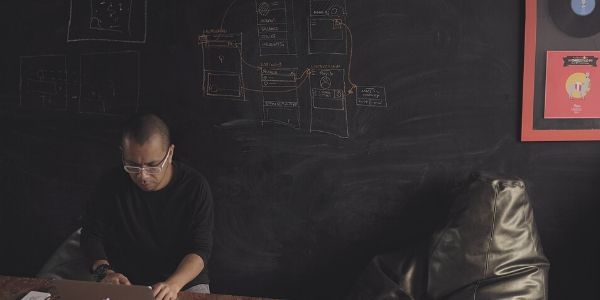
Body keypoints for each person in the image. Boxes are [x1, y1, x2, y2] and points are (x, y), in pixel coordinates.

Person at [81, 113, 214, 300]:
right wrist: (105, 272)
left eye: (152, 166)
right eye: (133, 166)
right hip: (125, 281)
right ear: (123, 153)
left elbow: (200, 249)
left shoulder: (195, 187)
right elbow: (91, 235)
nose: (142, 176)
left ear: (170, 153)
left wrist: (173, 284)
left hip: (184, 280)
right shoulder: (109, 184)